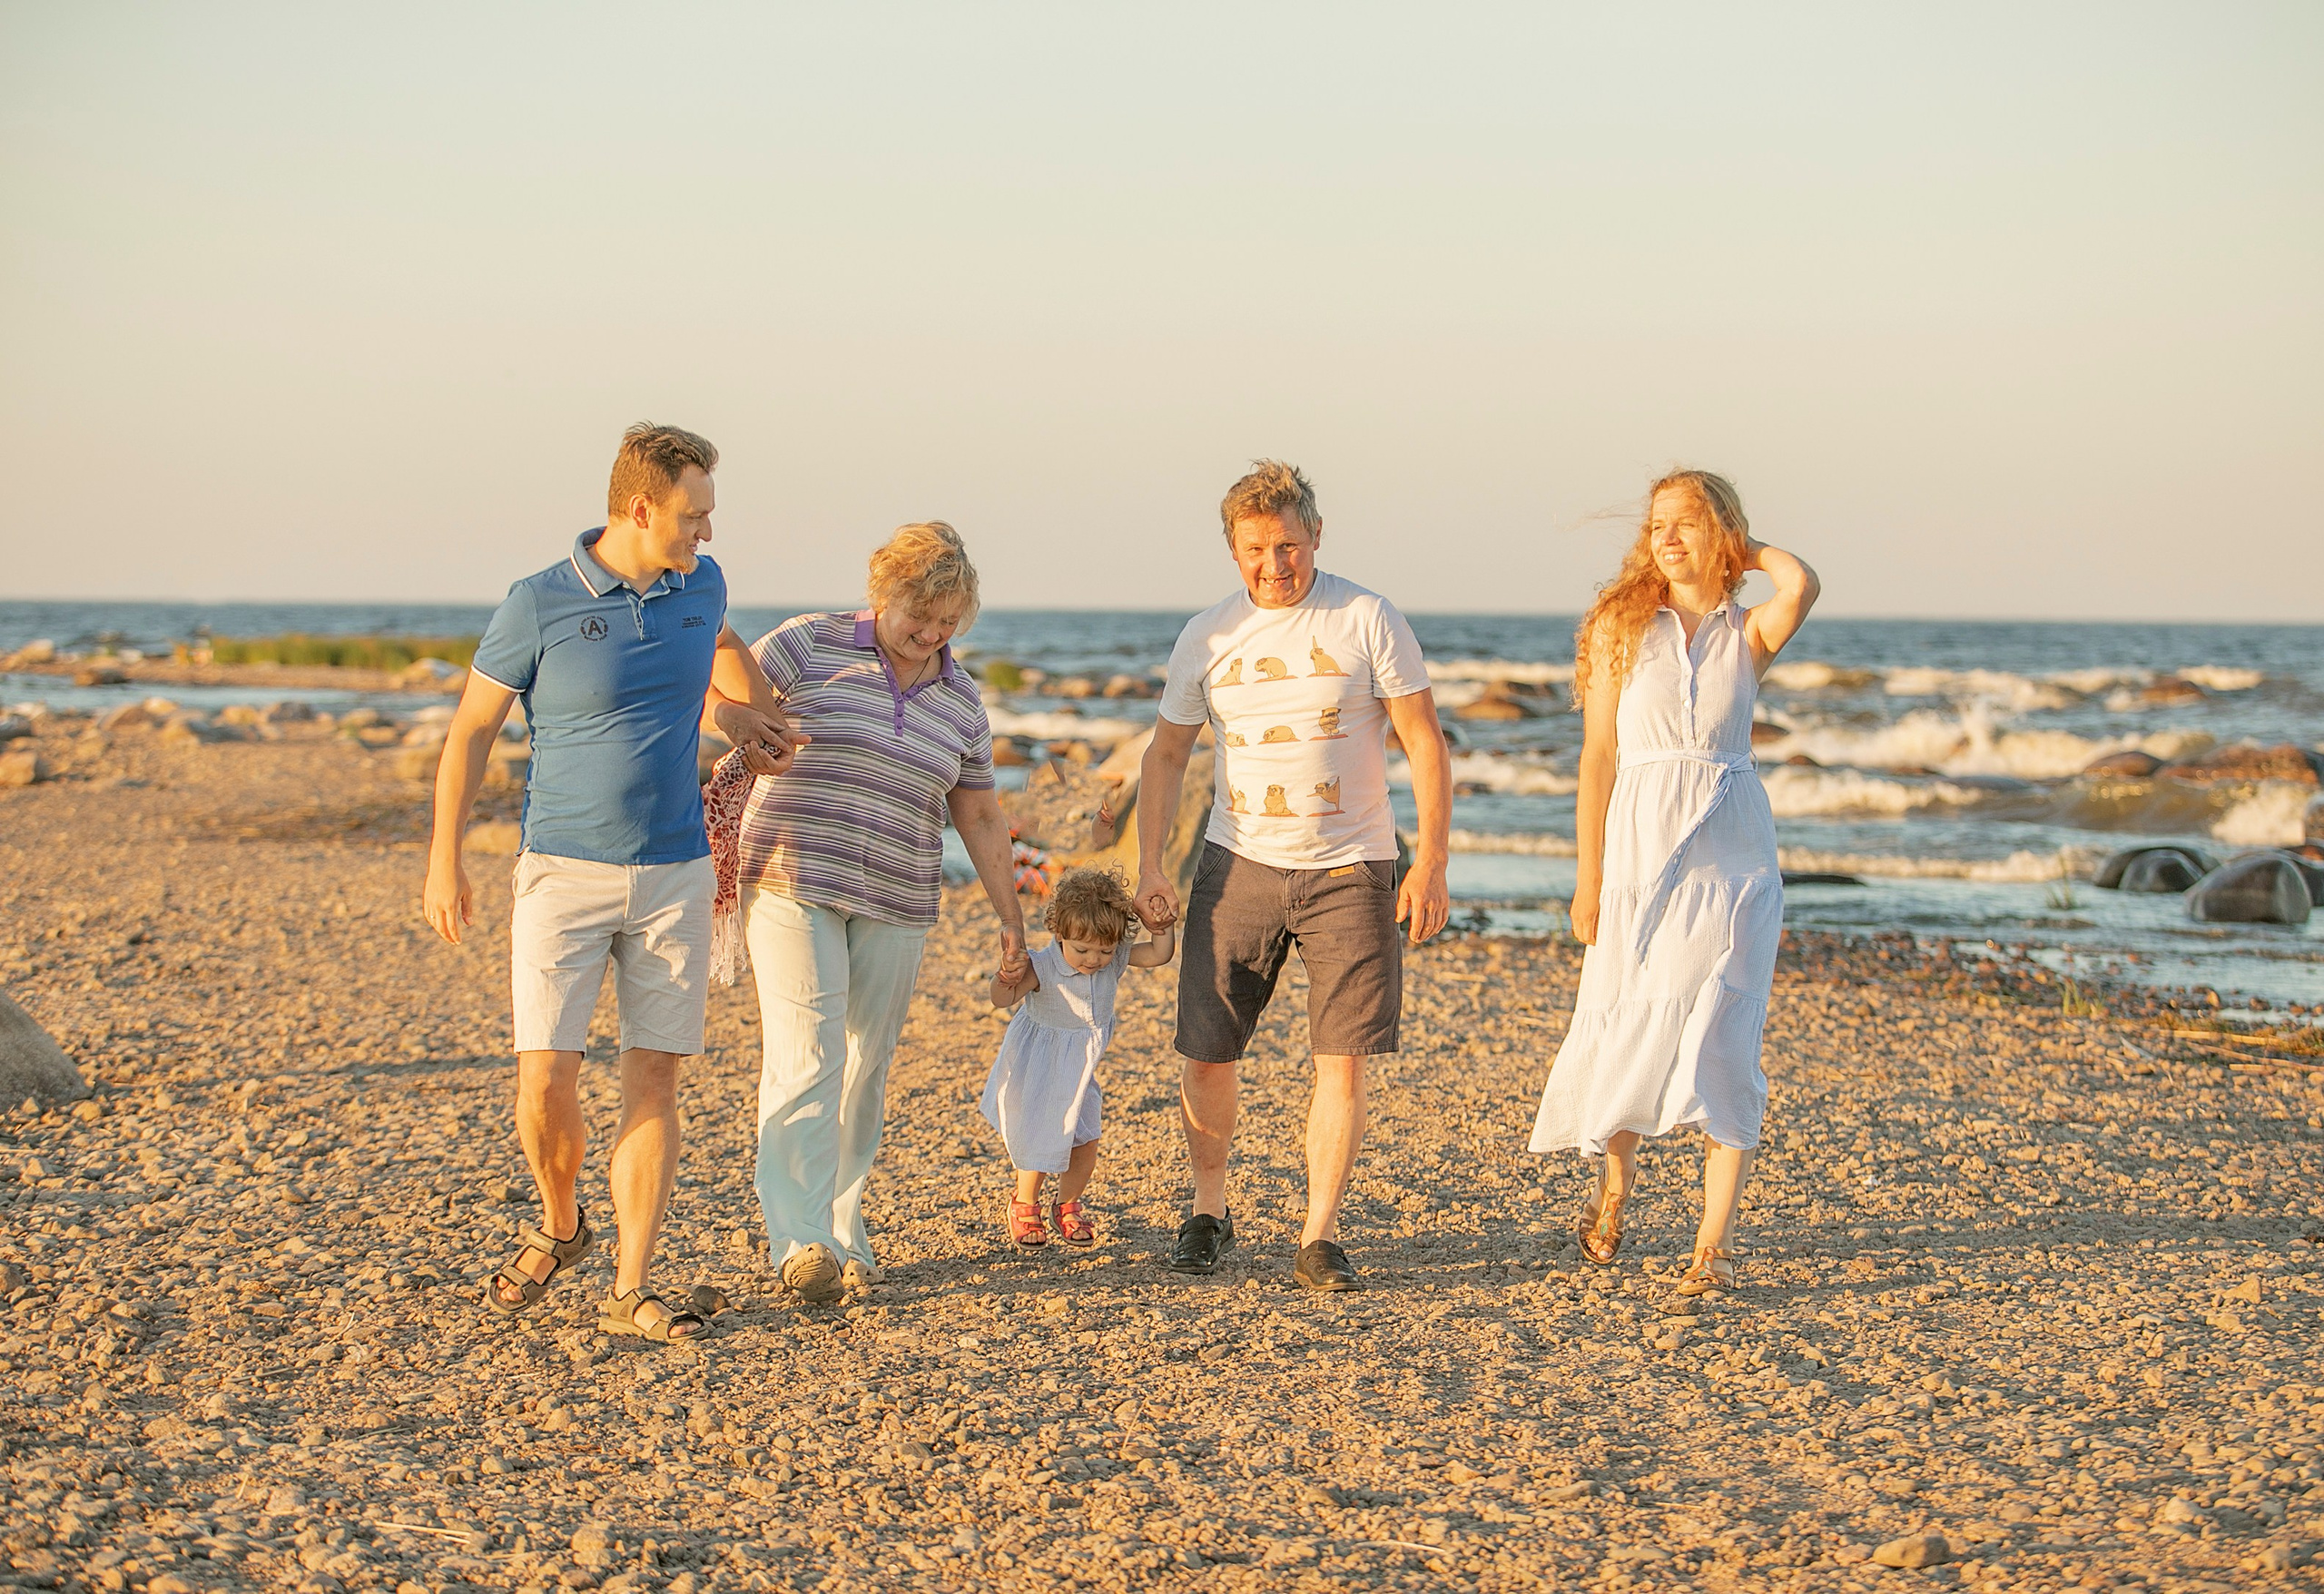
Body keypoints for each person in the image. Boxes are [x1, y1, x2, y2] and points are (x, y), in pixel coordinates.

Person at [423, 422, 799, 1343]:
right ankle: (562, 1224)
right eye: (694, 514)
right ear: (640, 509)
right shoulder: (538, 603)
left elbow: (718, 646)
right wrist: (443, 858)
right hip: (561, 872)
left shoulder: (700, 585)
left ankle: (631, 1287)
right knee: (543, 1081)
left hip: (675, 872)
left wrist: (746, 713)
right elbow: (471, 731)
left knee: (653, 1081)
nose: (707, 531)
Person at [1135, 460, 1453, 1291]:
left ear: (1316, 534)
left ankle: (1320, 1233)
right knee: (1207, 1050)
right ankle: (1208, 1212)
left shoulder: (1367, 617)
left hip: (1352, 867)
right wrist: (1149, 865)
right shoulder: (1207, 635)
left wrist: (1431, 861)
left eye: (1287, 544)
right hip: (1237, 862)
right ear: (1232, 549)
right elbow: (1166, 755)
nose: (1274, 563)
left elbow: (1424, 739)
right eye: (1255, 548)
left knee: (1341, 1057)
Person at [714, 522, 1028, 1303]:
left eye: (948, 622)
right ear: (881, 593)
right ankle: (799, 1240)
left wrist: (1011, 918)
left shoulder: (962, 701)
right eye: (918, 615)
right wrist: (735, 725)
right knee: (808, 1051)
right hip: (789, 874)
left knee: (865, 1065)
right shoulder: (808, 644)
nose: (930, 635)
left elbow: (979, 814)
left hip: (898, 893)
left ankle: (842, 1224)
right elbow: (717, 688)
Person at [1527, 468, 1819, 1297]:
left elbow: (1802, 582)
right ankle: (1615, 1185)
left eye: (1687, 522)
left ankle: (1712, 1246)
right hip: (1640, 854)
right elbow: (1598, 760)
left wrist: (1743, 550)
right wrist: (1588, 879)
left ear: (1721, 532)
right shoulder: (1621, 626)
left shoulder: (1748, 632)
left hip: (1735, 858)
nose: (1667, 538)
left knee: (1726, 1037)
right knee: (1629, 1019)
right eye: (1657, 525)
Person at [981, 867, 1176, 1248]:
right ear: (1060, 933)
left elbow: (1159, 953)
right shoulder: (1042, 966)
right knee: (1041, 1138)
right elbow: (1001, 999)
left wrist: (1162, 924)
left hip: (1080, 1073)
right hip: (1039, 1069)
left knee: (1086, 1140)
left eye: (1105, 950)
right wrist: (1005, 976)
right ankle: (1025, 1203)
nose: (1094, 960)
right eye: (1082, 950)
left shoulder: (1114, 959)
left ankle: (1067, 1203)